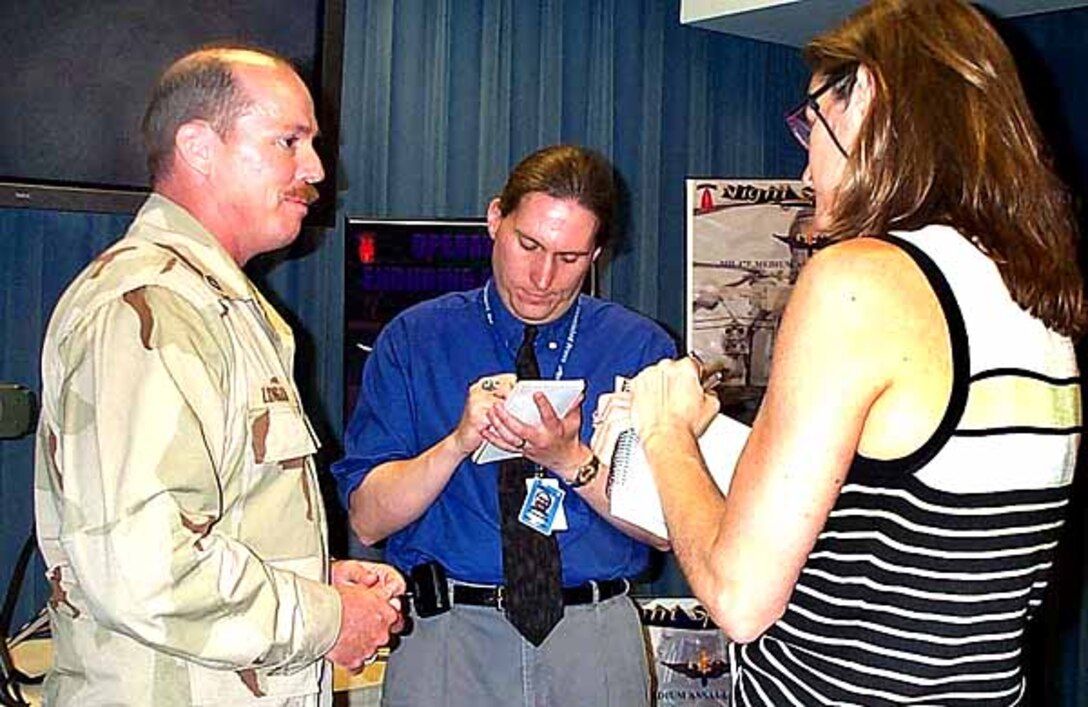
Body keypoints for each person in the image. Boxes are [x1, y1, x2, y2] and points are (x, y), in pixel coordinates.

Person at [592, 0, 1086, 704]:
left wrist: (665, 429)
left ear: (867, 101)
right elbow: (932, 549)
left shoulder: (859, 279)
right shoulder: (1033, 293)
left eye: (809, 123)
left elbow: (738, 594)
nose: (804, 160)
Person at [33, 46, 405, 706]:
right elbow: (147, 568)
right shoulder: (152, 306)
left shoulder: (217, 306)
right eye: (289, 140)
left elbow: (211, 525)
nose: (317, 169)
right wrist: (328, 617)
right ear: (199, 147)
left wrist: (316, 581)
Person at [331, 144, 677, 706]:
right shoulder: (415, 340)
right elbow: (368, 520)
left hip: (593, 640)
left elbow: (666, 527)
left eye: (570, 258)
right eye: (529, 245)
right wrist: (457, 444)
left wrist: (570, 460)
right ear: (496, 219)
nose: (542, 277)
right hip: (448, 641)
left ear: (597, 253)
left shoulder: (641, 349)